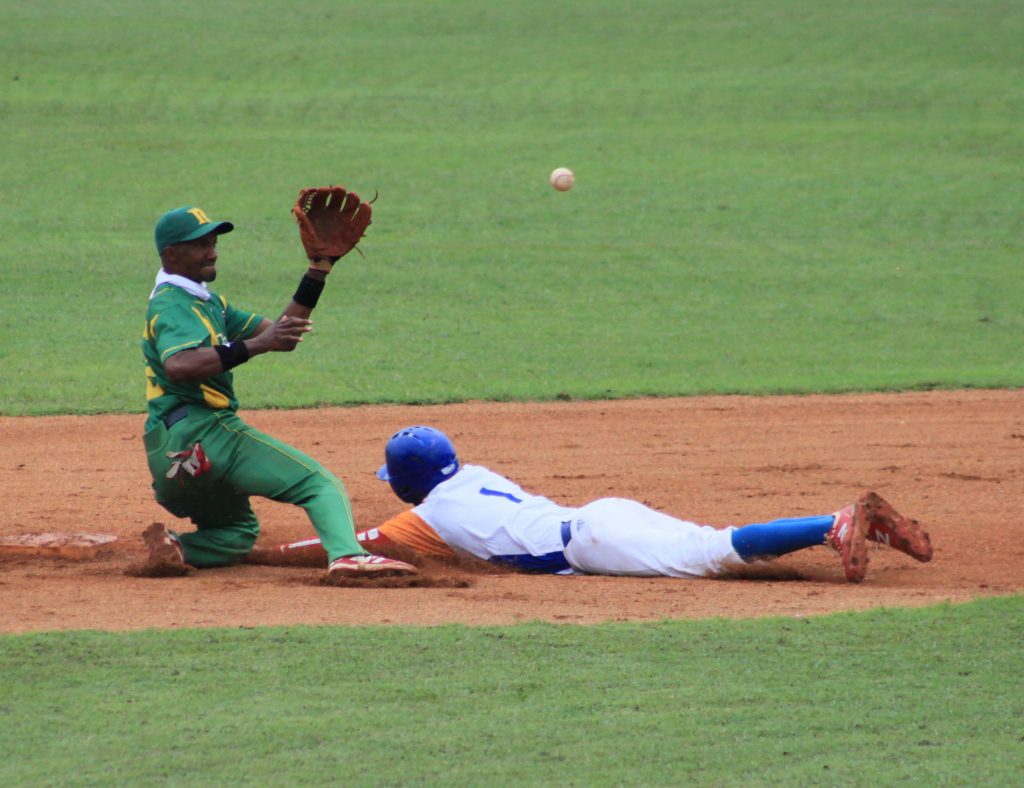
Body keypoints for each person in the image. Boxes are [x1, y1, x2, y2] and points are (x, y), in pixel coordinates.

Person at [260, 425, 933, 583]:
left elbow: (349, 542)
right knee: (709, 540)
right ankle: (843, 526)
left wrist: (266, 554)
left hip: (590, 542)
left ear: (405, 483)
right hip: (601, 515)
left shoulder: (424, 517)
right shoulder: (473, 476)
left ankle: (837, 523)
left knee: (711, 552)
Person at [137, 204, 416, 580]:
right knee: (318, 483)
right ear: (172, 254)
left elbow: (283, 335)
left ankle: (176, 548)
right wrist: (255, 346)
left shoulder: (206, 302)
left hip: (171, 462)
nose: (213, 251)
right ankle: (349, 556)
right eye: (201, 244)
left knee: (237, 535)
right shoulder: (174, 304)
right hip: (205, 432)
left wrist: (317, 270)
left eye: (214, 242)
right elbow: (180, 365)